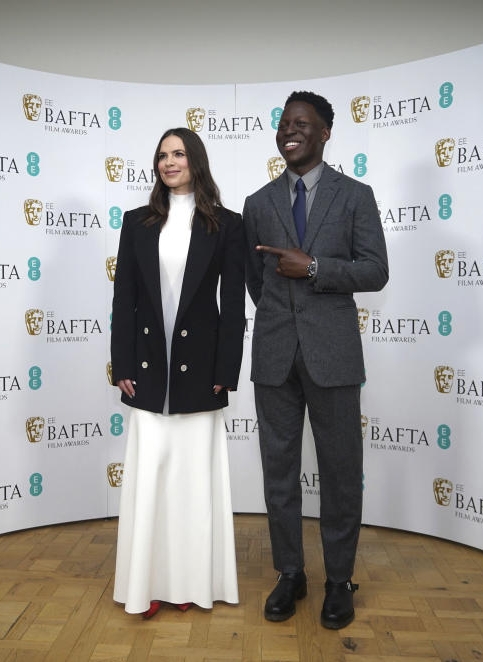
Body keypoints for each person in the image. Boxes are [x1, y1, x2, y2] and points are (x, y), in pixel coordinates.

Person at [242, 91, 389, 629]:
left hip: (334, 356)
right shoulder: (257, 204)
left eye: (302, 124)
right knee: (278, 473)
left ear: (326, 132)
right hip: (274, 357)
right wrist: (285, 313)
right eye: (283, 124)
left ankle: (339, 581)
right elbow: (253, 281)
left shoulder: (355, 196)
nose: (290, 132)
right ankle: (289, 574)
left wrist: (314, 269)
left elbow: (375, 271)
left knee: (341, 472)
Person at [111, 127, 246, 618]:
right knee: (150, 480)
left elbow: (232, 305)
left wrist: (227, 369)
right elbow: (123, 299)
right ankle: (144, 586)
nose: (170, 162)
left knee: (191, 484)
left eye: (179, 154)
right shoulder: (136, 222)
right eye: (163, 155)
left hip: (200, 372)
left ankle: (189, 582)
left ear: (197, 161)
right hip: (146, 371)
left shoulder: (226, 225)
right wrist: (121, 364)